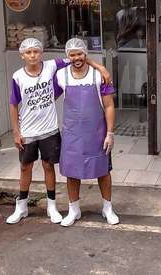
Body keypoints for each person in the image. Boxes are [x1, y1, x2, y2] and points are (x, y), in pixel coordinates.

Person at [5, 38, 111, 225]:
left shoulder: (92, 74)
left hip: (76, 131)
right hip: (53, 132)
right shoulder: (54, 76)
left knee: (98, 170)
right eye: (28, 52)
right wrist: (16, 130)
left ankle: (102, 209)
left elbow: (109, 104)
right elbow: (25, 101)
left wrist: (100, 67)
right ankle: (32, 208)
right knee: (54, 170)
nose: (32, 55)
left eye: (35, 51)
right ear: (22, 55)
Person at [55, 37, 120, 226]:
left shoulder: (100, 76)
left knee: (103, 171)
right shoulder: (60, 76)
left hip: (97, 133)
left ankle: (107, 208)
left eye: (80, 54)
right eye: (72, 54)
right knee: (71, 173)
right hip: (72, 135)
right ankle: (73, 210)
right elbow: (48, 98)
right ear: (67, 56)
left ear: (86, 54)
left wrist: (110, 133)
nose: (77, 57)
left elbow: (109, 106)